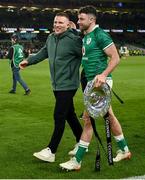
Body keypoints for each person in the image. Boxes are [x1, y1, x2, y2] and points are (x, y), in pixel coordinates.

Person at [59, 5, 131, 171]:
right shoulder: (86, 34)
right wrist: (73, 27)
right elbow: (79, 32)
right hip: (92, 83)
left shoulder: (100, 35)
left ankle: (77, 161)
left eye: (82, 18)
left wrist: (104, 74)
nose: (78, 21)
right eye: (78, 19)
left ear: (92, 20)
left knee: (87, 120)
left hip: (100, 84)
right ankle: (124, 149)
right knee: (109, 116)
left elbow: (115, 58)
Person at [19, 12, 83, 162]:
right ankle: (81, 142)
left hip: (68, 84)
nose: (57, 25)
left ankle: (51, 151)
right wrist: (29, 61)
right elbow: (43, 52)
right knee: (69, 114)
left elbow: (87, 55)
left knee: (59, 115)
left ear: (68, 25)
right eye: (55, 22)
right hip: (56, 84)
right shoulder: (51, 38)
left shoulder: (74, 40)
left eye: (61, 23)